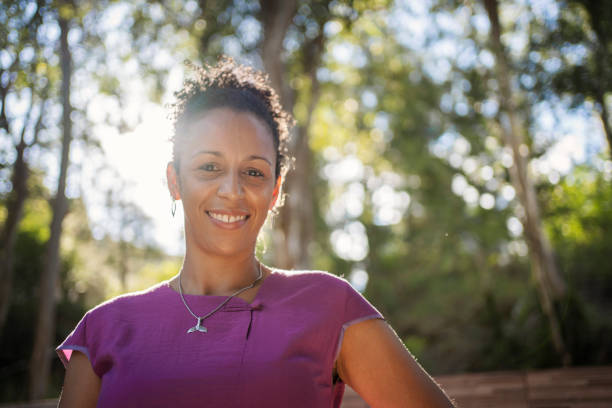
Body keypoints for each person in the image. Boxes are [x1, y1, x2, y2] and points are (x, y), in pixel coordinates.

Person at [56, 57, 455, 407]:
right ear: (174, 181)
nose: (232, 190)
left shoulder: (330, 308)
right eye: (209, 167)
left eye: (253, 172)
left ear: (275, 190)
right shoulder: (102, 331)